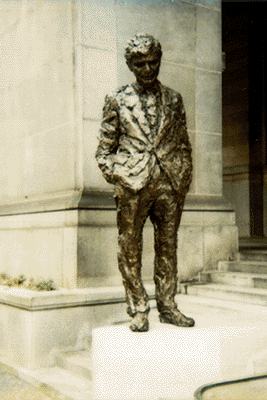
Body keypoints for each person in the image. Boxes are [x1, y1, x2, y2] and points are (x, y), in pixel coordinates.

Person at [96, 34, 195, 332]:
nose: (148, 68)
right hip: (133, 183)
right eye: (141, 63)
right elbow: (104, 151)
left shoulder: (174, 99)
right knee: (130, 247)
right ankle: (138, 308)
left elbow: (183, 143)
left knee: (168, 246)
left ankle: (168, 305)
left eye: (153, 62)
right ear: (130, 65)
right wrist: (119, 176)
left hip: (169, 183)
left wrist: (183, 175)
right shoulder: (117, 99)